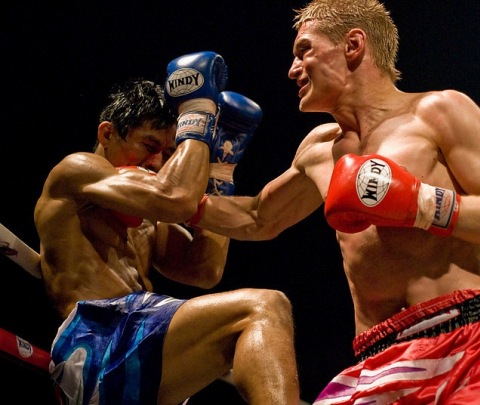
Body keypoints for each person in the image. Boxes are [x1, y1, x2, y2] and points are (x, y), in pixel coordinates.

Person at [194, 1, 480, 404]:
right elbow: (258, 217)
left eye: (304, 51)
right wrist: (172, 199)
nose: (293, 69)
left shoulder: (437, 112)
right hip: (376, 361)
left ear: (353, 45)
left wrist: (417, 202)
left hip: (467, 344)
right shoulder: (318, 150)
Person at [34, 51, 299, 405]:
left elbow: (204, 269)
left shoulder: (148, 214)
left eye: (167, 152)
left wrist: (219, 173)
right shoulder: (77, 171)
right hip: (98, 339)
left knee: (256, 321)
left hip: (135, 340)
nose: (157, 162)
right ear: (107, 133)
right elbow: (175, 197)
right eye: (149, 146)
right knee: (264, 307)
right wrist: (197, 112)